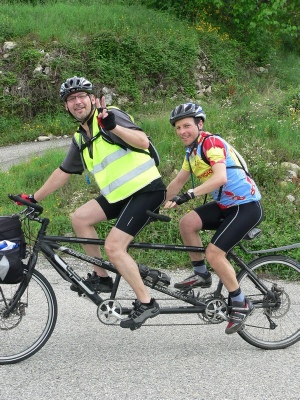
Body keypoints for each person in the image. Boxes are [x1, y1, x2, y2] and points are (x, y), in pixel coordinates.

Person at [19, 76, 166, 330]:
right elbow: (63, 171)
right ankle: (102, 278)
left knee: (114, 247)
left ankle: (147, 302)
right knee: (79, 218)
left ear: (92, 99)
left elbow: (143, 142)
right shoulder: (81, 137)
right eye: (71, 99)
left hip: (147, 190)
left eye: (81, 96)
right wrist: (34, 197)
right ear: (66, 107)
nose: (77, 102)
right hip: (119, 196)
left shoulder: (110, 117)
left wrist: (113, 127)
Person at [164, 102, 264, 334]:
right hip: (225, 205)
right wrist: (156, 204)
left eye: (187, 125)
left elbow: (220, 178)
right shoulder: (191, 152)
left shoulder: (212, 143)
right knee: (187, 223)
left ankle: (240, 301)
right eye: (178, 128)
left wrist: (188, 195)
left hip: (245, 207)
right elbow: (178, 182)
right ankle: (201, 275)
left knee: (214, 253)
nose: (182, 132)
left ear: (200, 124)